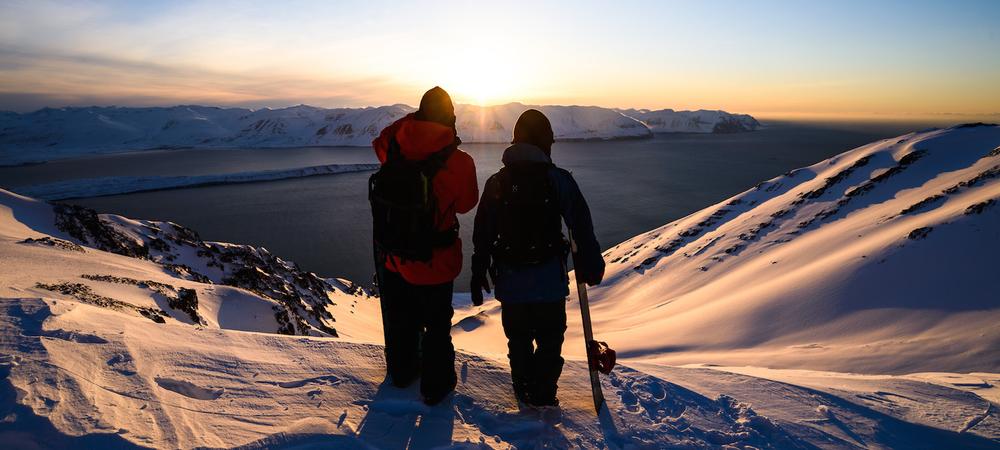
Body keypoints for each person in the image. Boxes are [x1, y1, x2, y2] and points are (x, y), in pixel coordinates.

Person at [470, 109, 605, 407]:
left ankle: (523, 389)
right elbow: (580, 225)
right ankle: (544, 393)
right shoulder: (558, 180)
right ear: (546, 142)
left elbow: (483, 230)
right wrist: (591, 264)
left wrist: (478, 267)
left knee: (518, 341)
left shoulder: (498, 182)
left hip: (511, 281)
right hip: (549, 283)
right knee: (549, 341)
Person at [370, 86, 478, 405]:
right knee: (437, 327)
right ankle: (436, 386)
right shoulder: (459, 162)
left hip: (396, 258)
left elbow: (379, 140)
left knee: (403, 321)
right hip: (437, 261)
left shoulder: (393, 147)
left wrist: (410, 123)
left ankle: (402, 374)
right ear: (451, 118)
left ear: (418, 114)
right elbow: (466, 204)